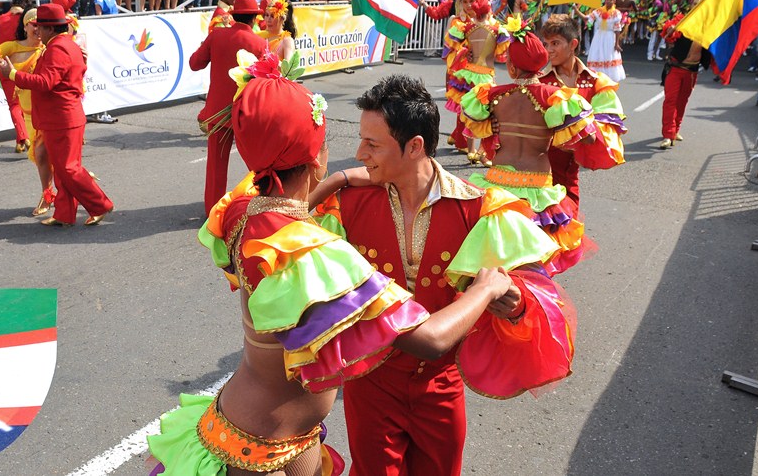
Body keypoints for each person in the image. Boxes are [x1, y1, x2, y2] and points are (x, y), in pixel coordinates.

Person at [147, 52, 517, 476]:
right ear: (316, 157)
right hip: (258, 447)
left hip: (274, 430)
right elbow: (430, 339)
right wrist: (486, 287)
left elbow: (292, 209)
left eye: (370, 144)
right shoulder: (317, 254)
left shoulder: (242, 213)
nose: (357, 154)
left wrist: (338, 179)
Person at [311, 74, 576, 476]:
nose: (359, 153)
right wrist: (336, 179)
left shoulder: (479, 208)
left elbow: (533, 292)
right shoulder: (346, 204)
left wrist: (515, 302)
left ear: (415, 146)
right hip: (370, 386)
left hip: (440, 387)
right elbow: (294, 234)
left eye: (372, 144)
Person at [459, 19, 595, 274]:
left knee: (497, 254)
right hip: (537, 186)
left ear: (511, 67)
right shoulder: (555, 98)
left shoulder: (492, 96)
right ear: (540, 63)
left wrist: (496, 125)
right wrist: (556, 129)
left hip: (498, 182)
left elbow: (473, 124)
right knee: (535, 257)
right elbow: (589, 138)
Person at [0, 3, 114, 227]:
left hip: (62, 118)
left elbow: (45, 82)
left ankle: (100, 204)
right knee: (62, 169)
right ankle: (64, 213)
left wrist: (12, 74)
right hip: (63, 117)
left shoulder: (57, 48)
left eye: (39, 26)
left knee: (68, 168)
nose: (36, 31)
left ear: (50, 28)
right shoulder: (64, 44)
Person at [189, 0, 267, 217]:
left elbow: (194, 64)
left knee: (216, 165)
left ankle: (213, 212)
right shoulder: (259, 43)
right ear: (254, 19)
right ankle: (264, 203)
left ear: (234, 16)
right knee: (258, 162)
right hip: (246, 112)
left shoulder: (217, 35)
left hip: (217, 112)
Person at [539, 14, 627, 208]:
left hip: (571, 172)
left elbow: (606, 126)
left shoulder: (596, 81)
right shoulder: (538, 81)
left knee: (571, 213)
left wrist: (584, 132)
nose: (548, 50)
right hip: (540, 172)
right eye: (546, 44)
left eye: (555, 43)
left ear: (573, 44)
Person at [0, 7, 52, 216]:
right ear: (25, 26)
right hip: (29, 115)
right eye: (34, 24)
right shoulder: (13, 46)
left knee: (49, 155)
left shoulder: (48, 48)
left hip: (48, 111)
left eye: (41, 25)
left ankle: (60, 193)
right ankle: (49, 193)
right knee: (41, 157)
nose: (38, 29)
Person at [447, 0, 509, 166]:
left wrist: (467, 51)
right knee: (487, 114)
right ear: (489, 11)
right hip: (486, 75)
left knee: (470, 113)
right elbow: (501, 52)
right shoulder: (497, 30)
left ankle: (471, 150)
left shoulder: (465, 28)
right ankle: (483, 153)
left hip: (468, 74)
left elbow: (454, 45)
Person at [658, 0, 711, 149]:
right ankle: (668, 134)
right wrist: (670, 30)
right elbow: (668, 35)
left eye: (701, 3)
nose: (697, 6)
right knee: (670, 101)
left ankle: (675, 129)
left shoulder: (709, 26)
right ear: (691, 5)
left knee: (682, 101)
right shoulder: (682, 20)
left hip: (692, 71)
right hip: (675, 68)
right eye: (695, 3)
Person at [0, 0, 33, 153]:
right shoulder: (27, 19)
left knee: (14, 103)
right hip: (26, 63)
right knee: (26, 102)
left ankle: (21, 139)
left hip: (4, 64)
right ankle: (24, 137)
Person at [442, 0, 475, 154]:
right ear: (460, 3)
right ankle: (461, 141)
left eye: (472, 1)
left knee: (473, 105)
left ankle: (457, 135)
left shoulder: (484, 20)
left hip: (478, 69)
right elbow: (449, 46)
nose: (469, 5)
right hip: (459, 69)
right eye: (465, 2)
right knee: (463, 105)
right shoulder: (455, 20)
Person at [573, 0, 626, 83]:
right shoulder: (599, 11)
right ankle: (597, 75)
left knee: (608, 55)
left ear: (614, 1)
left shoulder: (616, 13)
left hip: (610, 37)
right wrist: (576, 10)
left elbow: (617, 29)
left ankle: (609, 77)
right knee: (597, 53)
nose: (608, 1)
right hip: (599, 36)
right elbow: (586, 18)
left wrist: (616, 44)